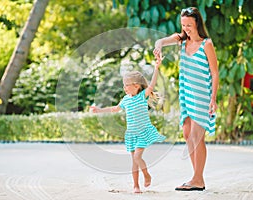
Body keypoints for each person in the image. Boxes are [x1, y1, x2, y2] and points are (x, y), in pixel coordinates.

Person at [153, 7, 219, 191]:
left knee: (198, 137)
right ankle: (197, 177)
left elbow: (214, 73)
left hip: (202, 96)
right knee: (188, 135)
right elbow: (161, 40)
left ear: (197, 23)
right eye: (183, 25)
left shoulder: (207, 44)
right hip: (186, 95)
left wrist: (213, 98)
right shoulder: (181, 40)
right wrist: (158, 46)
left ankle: (197, 179)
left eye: (189, 25)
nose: (186, 28)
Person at [90, 57, 166, 193]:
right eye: (124, 85)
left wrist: (156, 67)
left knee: (138, 157)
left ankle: (147, 174)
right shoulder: (125, 100)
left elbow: (152, 84)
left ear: (136, 86)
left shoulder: (143, 95)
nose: (124, 88)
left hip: (143, 132)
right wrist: (99, 110)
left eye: (126, 85)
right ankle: (136, 186)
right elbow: (115, 109)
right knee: (134, 161)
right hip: (131, 134)